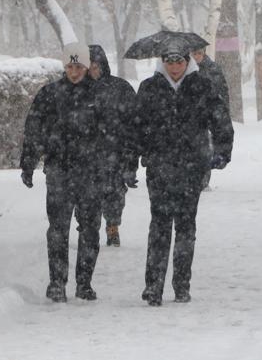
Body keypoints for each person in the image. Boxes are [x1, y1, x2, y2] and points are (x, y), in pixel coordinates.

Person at [135, 39, 234, 306]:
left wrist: (223, 150)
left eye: (179, 61)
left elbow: (220, 119)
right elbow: (135, 126)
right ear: (162, 63)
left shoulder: (203, 86)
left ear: (187, 61)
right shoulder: (149, 88)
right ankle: (153, 286)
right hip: (159, 166)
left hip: (192, 167)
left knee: (186, 227)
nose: (175, 67)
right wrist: (131, 159)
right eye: (169, 61)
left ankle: (181, 284)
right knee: (159, 226)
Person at [20, 43, 104, 303]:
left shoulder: (99, 96)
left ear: (87, 66)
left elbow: (112, 133)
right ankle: (57, 282)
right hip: (59, 170)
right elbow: (33, 130)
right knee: (57, 228)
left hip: (91, 171)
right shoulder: (50, 94)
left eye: (79, 66)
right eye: (70, 66)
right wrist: (28, 162)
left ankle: (84, 283)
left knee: (90, 228)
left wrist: (116, 165)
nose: (74, 71)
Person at [88, 45, 138, 247]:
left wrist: (131, 160)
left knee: (114, 195)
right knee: (87, 196)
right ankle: (89, 229)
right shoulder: (74, 90)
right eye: (88, 65)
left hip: (115, 153)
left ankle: (112, 227)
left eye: (95, 65)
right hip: (87, 155)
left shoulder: (120, 88)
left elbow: (134, 124)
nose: (92, 70)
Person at [191, 47, 231, 192]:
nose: (196, 56)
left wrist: (222, 113)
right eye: (193, 53)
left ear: (203, 53)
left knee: (205, 147)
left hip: (208, 115)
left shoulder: (212, 69)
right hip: (190, 115)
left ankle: (203, 180)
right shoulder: (185, 69)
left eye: (198, 53)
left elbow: (222, 91)